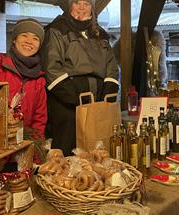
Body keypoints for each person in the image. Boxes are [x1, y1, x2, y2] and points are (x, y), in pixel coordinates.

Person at [40, 0, 119, 156]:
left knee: (96, 145)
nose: (82, 7)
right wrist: (72, 95)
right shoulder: (57, 30)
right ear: (70, 6)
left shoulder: (100, 34)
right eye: (77, 2)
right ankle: (65, 179)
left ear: (92, 9)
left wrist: (108, 92)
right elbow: (51, 66)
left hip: (97, 99)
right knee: (67, 146)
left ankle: (94, 176)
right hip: (67, 100)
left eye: (87, 3)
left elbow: (111, 66)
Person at [0, 18, 47, 138]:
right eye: (24, 35)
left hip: (22, 143)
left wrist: (36, 154)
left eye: (35, 38)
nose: (29, 41)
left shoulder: (39, 78)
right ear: (14, 39)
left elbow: (39, 120)